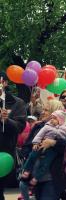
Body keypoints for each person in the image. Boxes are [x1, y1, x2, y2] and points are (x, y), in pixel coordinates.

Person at [20, 100, 66, 200]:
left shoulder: (65, 127)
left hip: (52, 177)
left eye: (46, 110)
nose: (42, 112)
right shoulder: (38, 126)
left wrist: (54, 143)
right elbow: (26, 147)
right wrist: (34, 147)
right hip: (36, 176)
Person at [0, 72, 27, 200]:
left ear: (4, 83)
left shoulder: (17, 103)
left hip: (3, 155)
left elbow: (20, 127)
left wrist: (7, 120)